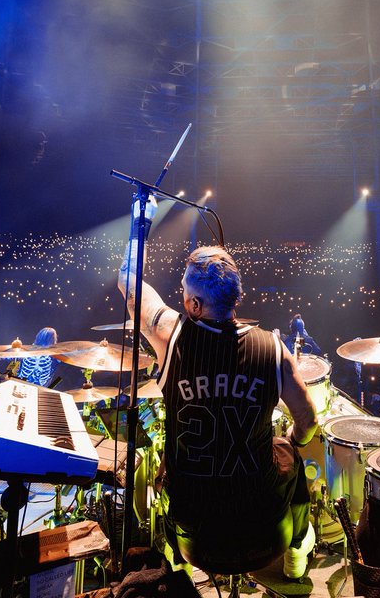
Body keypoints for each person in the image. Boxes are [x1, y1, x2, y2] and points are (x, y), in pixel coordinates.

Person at [117, 197, 319, 579]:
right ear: (236, 298)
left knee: (168, 467)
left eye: (182, 292)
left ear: (192, 304)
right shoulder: (274, 350)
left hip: (195, 528)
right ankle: (296, 550)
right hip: (261, 522)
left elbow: (128, 283)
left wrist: (141, 225)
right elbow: (308, 422)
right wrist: (289, 440)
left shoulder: (169, 336)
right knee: (286, 451)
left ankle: (179, 565)